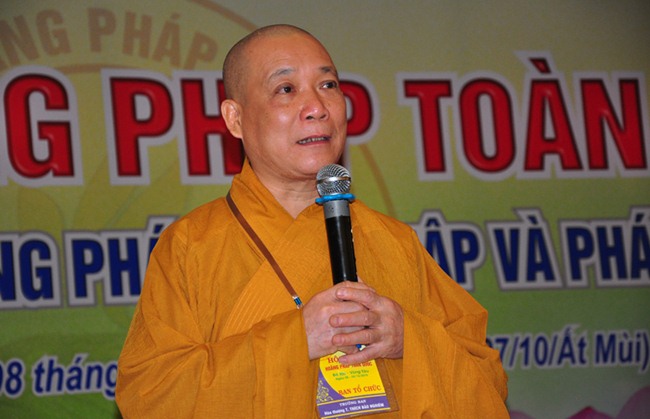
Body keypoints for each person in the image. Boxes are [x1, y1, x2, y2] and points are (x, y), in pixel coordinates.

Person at [115, 24, 508, 418]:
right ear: (235, 118)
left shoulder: (393, 241)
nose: (317, 107)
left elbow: (486, 380)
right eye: (286, 89)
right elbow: (151, 397)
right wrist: (296, 339)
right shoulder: (191, 247)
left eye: (328, 85)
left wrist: (408, 338)